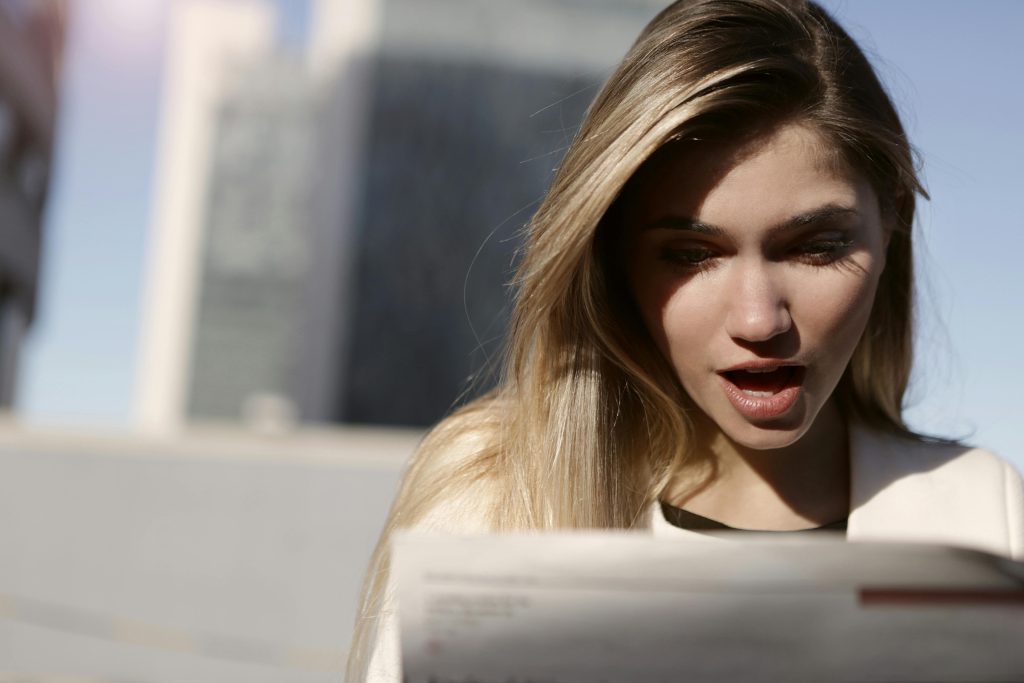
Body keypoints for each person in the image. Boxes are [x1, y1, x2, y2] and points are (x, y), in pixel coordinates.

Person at [347, 0, 1024, 680]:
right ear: (615, 257)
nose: (759, 320)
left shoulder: (981, 513)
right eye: (692, 255)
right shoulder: (496, 496)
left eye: (816, 246)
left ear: (892, 221)